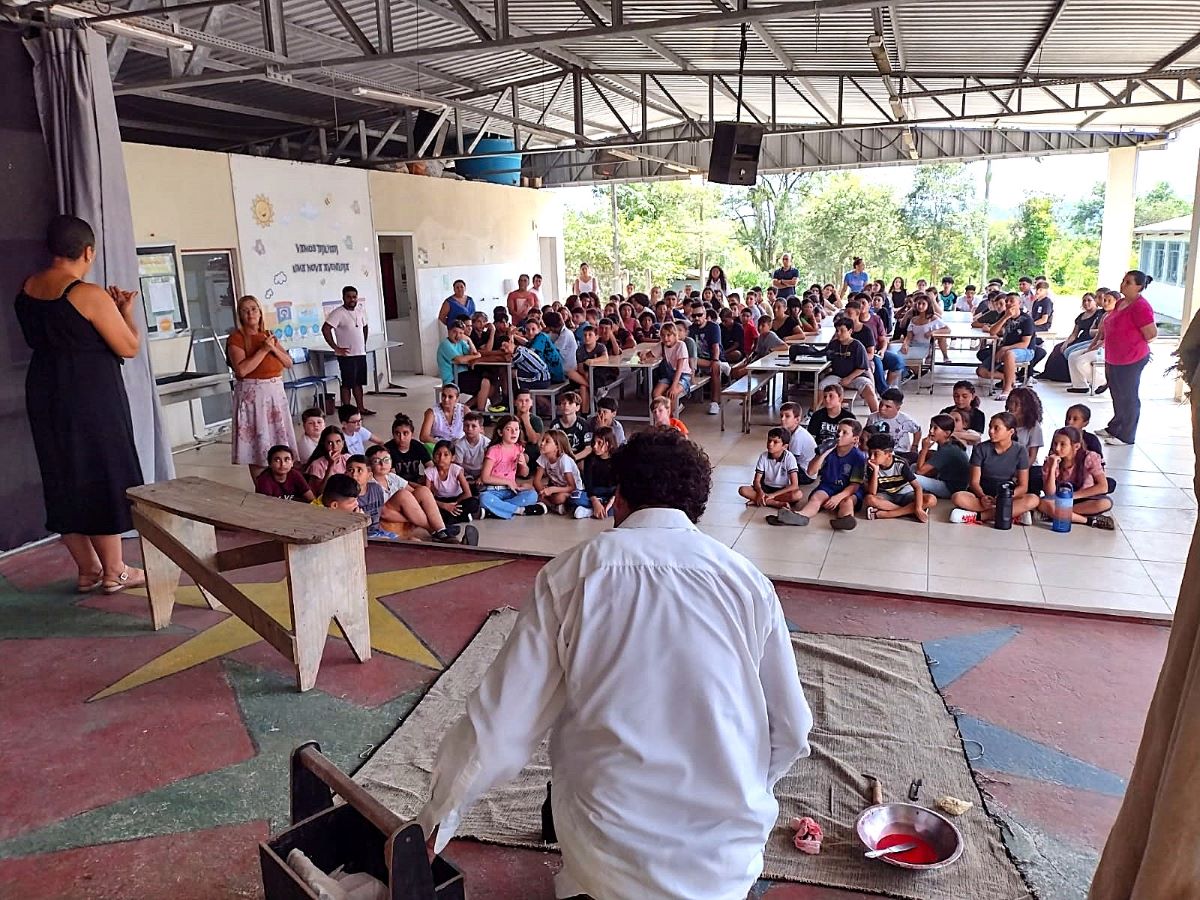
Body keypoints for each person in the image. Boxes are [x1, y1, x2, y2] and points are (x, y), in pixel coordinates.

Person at [416, 428, 812, 900]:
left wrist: (432, 825)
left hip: (604, 863)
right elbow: (791, 731)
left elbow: (499, 730)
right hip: (723, 870)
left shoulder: (572, 575)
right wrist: (739, 794)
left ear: (619, 497)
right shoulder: (747, 583)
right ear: (696, 507)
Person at [227, 294, 296, 478]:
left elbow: (288, 362)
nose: (250, 314)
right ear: (240, 315)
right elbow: (242, 370)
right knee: (258, 444)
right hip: (254, 395)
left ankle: (280, 483)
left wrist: (272, 347)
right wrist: (263, 350)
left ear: (260, 312)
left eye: (253, 309)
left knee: (278, 440)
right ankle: (262, 485)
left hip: (275, 392)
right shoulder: (237, 338)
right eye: (245, 310)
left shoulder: (268, 335)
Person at [768, 419, 865, 530]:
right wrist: (823, 453)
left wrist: (838, 497)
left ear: (855, 439)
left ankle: (845, 519)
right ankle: (801, 516)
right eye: (838, 431)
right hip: (828, 486)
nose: (839, 434)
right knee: (816, 497)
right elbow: (811, 472)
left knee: (847, 502)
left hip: (848, 490)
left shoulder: (858, 457)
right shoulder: (829, 450)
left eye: (845, 432)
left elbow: (855, 485)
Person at [1097, 271, 1157, 446]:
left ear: (1139, 286)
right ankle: (1115, 427)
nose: (1123, 284)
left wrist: (1130, 342)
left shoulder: (1140, 307)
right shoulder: (1121, 302)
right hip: (1114, 357)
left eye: (1128, 282)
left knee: (1128, 396)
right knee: (1116, 393)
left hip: (1131, 358)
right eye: (1123, 280)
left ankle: (1127, 435)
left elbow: (1151, 334)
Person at [950, 412, 1041, 525]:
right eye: (990, 427)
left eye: (996, 428)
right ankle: (1008, 514)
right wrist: (982, 497)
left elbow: (1023, 486)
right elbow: (974, 482)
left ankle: (979, 516)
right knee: (957, 497)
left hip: (1006, 494)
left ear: (1011, 432)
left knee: (1034, 499)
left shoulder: (1020, 450)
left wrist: (1005, 497)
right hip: (982, 494)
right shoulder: (981, 448)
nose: (991, 431)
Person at [1037, 427, 1114, 530]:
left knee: (1105, 503)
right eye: (1055, 444)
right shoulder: (1052, 460)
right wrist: (1052, 467)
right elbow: (1050, 493)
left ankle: (1054, 514)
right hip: (1060, 500)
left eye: (1062, 444)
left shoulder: (1089, 457)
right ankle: (1088, 520)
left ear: (1076, 446)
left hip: (1083, 499)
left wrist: (1071, 497)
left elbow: (1103, 487)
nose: (1057, 448)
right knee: (1043, 503)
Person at [478, 415, 548, 519]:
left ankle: (495, 510)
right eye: (508, 429)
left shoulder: (518, 448)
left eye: (516, 429)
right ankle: (520, 510)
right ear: (500, 432)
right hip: (493, 491)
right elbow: (485, 477)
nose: (513, 432)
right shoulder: (494, 450)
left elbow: (524, 473)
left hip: (511, 491)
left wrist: (523, 464)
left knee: (532, 495)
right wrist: (507, 482)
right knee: (484, 498)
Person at [321, 285, 374, 416]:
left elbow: (365, 327)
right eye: (349, 297)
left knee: (358, 383)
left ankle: (360, 408)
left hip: (360, 353)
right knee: (347, 383)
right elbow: (325, 329)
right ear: (343, 298)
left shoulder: (360, 311)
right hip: (346, 355)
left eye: (354, 297)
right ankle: (347, 410)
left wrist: (363, 344)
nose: (352, 299)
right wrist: (335, 347)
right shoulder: (338, 313)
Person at [863, 433, 936, 523]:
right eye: (870, 453)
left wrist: (918, 508)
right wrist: (875, 471)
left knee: (931, 499)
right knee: (869, 499)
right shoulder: (872, 465)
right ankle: (909, 512)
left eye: (876, 454)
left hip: (905, 494)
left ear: (888, 455)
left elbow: (917, 487)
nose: (871, 457)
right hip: (886, 497)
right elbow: (872, 492)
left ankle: (887, 514)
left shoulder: (901, 464)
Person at [976, 293, 1035, 401]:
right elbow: (993, 332)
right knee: (981, 371)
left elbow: (1025, 343)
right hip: (1006, 350)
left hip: (1025, 351)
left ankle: (1007, 390)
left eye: (1011, 301)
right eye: (1007, 301)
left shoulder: (1027, 320)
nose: (1008, 303)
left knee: (1009, 354)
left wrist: (1005, 348)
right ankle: (1010, 377)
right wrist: (1005, 317)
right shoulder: (1004, 315)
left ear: (1019, 303)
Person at [821, 318, 878, 413]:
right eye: (837, 331)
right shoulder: (833, 344)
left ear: (850, 331)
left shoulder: (857, 346)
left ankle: (876, 416)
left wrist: (849, 378)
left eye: (842, 331)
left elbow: (862, 368)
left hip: (856, 377)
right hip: (837, 376)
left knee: (868, 388)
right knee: (822, 385)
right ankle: (813, 411)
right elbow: (824, 355)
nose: (838, 333)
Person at [739, 427, 804, 509]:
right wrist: (760, 492)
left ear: (784, 446)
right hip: (766, 488)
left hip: (782, 490)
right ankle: (775, 503)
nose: (770, 444)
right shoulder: (763, 456)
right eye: (769, 440)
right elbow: (756, 481)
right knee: (743, 490)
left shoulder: (789, 457)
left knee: (797, 495)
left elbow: (795, 485)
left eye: (775, 442)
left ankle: (760, 500)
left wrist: (772, 495)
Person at [436, 319, 493, 412]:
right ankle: (481, 413)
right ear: (448, 331)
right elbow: (459, 360)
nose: (457, 336)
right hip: (453, 379)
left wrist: (469, 340)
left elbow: (474, 354)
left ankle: (466, 407)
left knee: (491, 386)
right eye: (454, 332)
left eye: (461, 333)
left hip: (464, 374)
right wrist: (476, 355)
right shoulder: (445, 345)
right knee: (485, 383)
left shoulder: (461, 342)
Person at [913, 415, 971, 499]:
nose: (931, 431)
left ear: (947, 433)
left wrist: (924, 448)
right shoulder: (947, 444)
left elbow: (919, 471)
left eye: (935, 428)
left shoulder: (948, 450)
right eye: (930, 427)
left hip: (951, 489)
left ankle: (913, 496)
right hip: (944, 479)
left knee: (913, 477)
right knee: (912, 467)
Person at [426, 441, 482, 526]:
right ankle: (463, 517)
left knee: (473, 502)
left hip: (458, 499)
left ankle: (450, 518)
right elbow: (427, 496)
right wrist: (444, 505)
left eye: (446, 455)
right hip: (441, 501)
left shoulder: (456, 470)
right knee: (429, 509)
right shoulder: (430, 472)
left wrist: (454, 504)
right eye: (438, 454)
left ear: (452, 458)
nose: (441, 458)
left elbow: (467, 493)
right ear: (433, 456)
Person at [688, 302, 727, 415]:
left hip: (712, 359)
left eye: (699, 315)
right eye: (694, 316)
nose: (697, 318)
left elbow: (716, 347)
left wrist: (715, 360)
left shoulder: (713, 327)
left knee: (716, 366)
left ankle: (715, 402)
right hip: (697, 361)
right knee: (689, 360)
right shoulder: (691, 329)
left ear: (705, 314)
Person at [645, 322, 692, 416]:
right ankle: (661, 415)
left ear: (675, 335)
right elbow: (649, 355)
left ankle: (671, 417)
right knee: (656, 394)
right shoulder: (662, 345)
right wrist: (643, 355)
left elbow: (680, 368)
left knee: (671, 394)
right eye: (663, 335)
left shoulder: (681, 345)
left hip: (682, 375)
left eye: (668, 335)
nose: (666, 338)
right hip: (668, 375)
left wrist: (673, 386)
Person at [533, 430, 584, 515]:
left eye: (547, 441)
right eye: (543, 440)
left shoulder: (564, 460)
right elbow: (536, 481)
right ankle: (553, 506)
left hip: (571, 490)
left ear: (557, 446)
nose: (542, 443)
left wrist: (552, 490)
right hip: (556, 487)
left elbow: (572, 487)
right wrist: (543, 491)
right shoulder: (543, 457)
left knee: (559, 498)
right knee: (531, 491)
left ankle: (550, 504)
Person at [572, 425, 618, 519]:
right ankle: (599, 508)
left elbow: (620, 484)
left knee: (625, 504)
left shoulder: (617, 459)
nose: (595, 446)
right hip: (594, 493)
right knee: (574, 497)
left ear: (609, 444)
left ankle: (590, 512)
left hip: (612, 493)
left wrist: (611, 500)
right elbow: (588, 484)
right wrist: (595, 501)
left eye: (599, 443)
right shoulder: (590, 459)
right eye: (594, 442)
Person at [864, 388, 921, 459]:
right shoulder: (872, 418)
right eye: (881, 404)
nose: (882, 408)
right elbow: (866, 433)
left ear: (898, 408)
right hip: (879, 453)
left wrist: (915, 445)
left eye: (888, 406)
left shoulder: (906, 420)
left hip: (900, 452)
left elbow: (918, 430)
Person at [898, 294, 947, 370]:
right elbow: (909, 336)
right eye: (918, 304)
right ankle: (911, 372)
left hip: (924, 347)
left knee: (898, 358)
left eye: (923, 304)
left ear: (928, 305)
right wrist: (905, 344)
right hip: (912, 345)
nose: (920, 306)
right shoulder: (913, 319)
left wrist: (933, 332)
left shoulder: (933, 318)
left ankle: (912, 371)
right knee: (895, 355)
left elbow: (947, 329)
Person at [386, 414, 432, 483]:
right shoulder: (387, 449)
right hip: (397, 484)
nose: (401, 438)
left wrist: (427, 478)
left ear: (412, 434)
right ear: (393, 435)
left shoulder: (418, 446)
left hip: (416, 481)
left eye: (405, 433)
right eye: (397, 434)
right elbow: (391, 476)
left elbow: (430, 466)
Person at [304, 426, 350, 495]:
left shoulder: (348, 458)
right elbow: (321, 493)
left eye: (338, 442)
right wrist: (331, 466)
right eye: (330, 443)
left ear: (343, 443)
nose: (335, 447)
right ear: (324, 444)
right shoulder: (317, 465)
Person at [778, 402, 816, 484]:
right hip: (802, 466)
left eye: (787, 416)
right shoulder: (793, 431)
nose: (782, 419)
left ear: (797, 420)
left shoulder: (797, 437)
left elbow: (791, 461)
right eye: (781, 416)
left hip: (806, 474)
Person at [550, 391, 591, 460]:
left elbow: (588, 449)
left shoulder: (584, 425)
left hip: (578, 457)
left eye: (570, 403)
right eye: (563, 403)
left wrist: (573, 458)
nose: (566, 405)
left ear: (577, 407)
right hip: (560, 458)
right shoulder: (554, 424)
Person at [453, 411, 488, 483]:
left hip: (482, 471)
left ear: (481, 429)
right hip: (466, 471)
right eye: (466, 425)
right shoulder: (459, 444)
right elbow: (458, 465)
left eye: (474, 426)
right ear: (463, 427)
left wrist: (481, 477)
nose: (469, 429)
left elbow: (488, 463)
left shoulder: (486, 443)